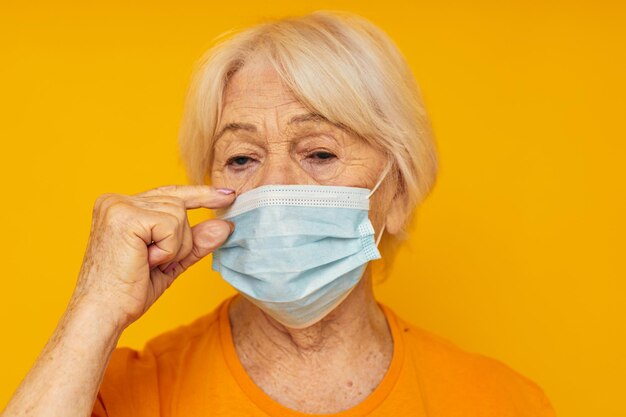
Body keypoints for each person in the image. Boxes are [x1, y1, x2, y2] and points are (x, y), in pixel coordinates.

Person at [1, 11, 556, 417]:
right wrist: (95, 309)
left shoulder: (502, 401)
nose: (276, 185)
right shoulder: (117, 394)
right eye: (241, 158)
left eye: (319, 152)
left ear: (400, 191)